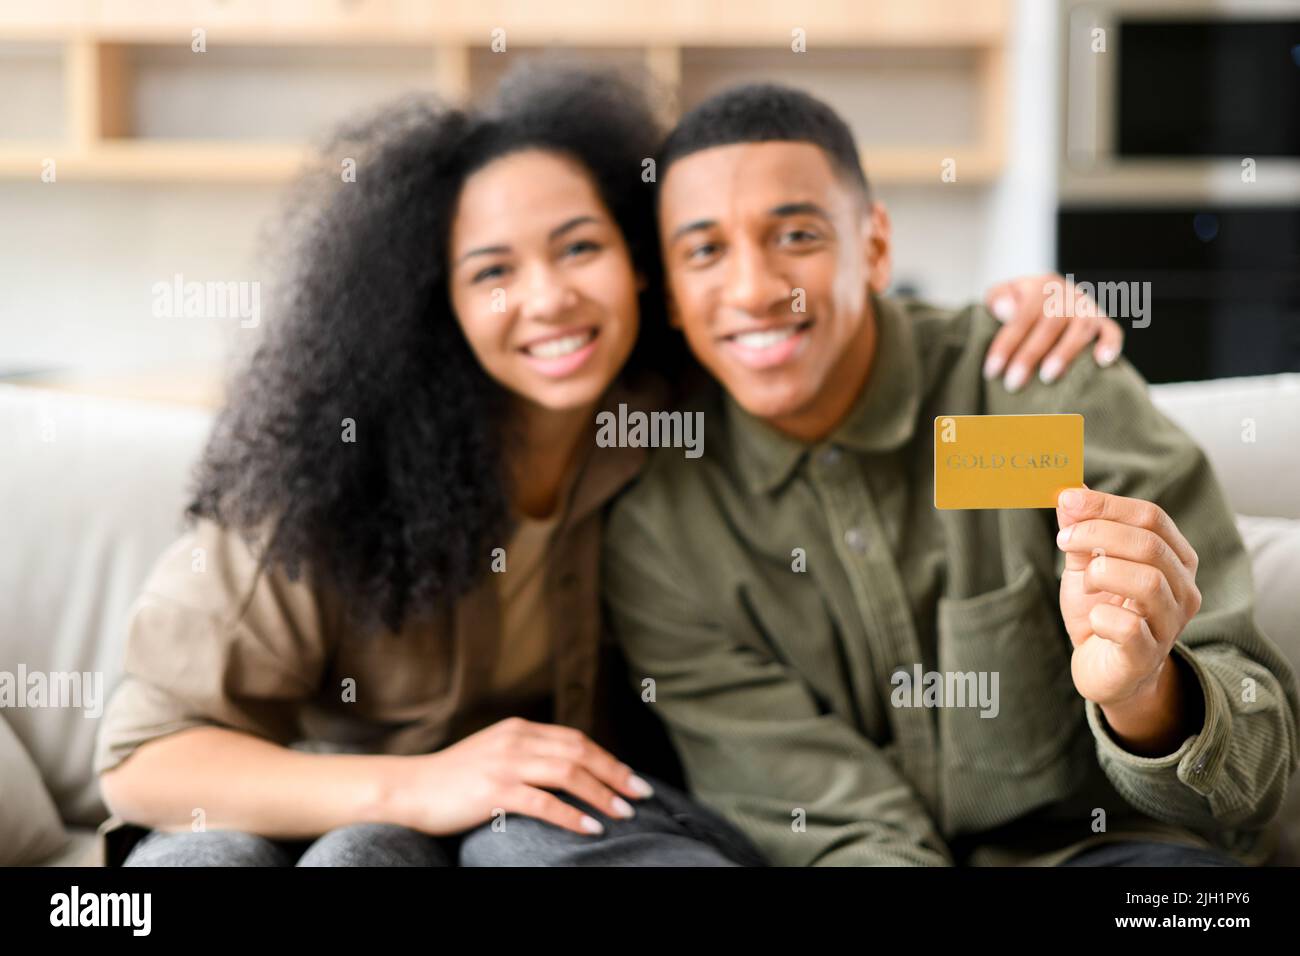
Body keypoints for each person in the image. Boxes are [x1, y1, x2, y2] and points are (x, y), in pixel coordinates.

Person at [93, 65, 1120, 867]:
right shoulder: (330, 476)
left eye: (578, 248)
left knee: (509, 839)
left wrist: (1015, 318)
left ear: (642, 268)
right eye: (493, 271)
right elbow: (142, 759)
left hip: (552, 828)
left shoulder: (675, 420)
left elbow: (843, 367)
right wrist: (413, 785)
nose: (548, 300)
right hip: (335, 805)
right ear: (431, 302)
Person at [599, 84, 1300, 867]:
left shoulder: (1034, 393)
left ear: (874, 248)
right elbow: (831, 818)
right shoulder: (663, 531)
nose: (757, 289)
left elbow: (1258, 764)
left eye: (796, 234)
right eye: (704, 250)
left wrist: (1142, 692)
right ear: (668, 293)